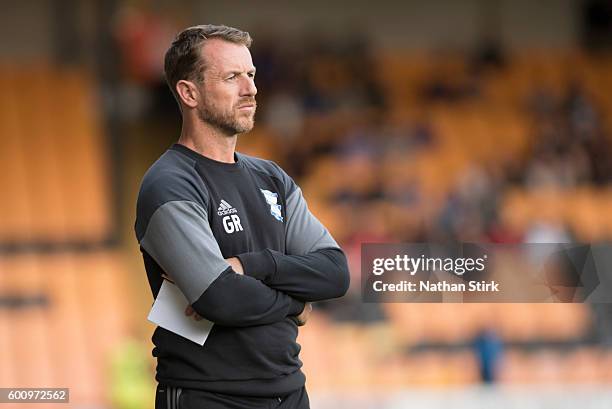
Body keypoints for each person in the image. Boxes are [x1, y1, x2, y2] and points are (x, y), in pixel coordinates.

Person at [134, 24, 350, 409]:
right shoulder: (169, 184)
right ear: (189, 93)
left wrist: (253, 265)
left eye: (250, 75)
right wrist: (296, 304)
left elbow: (334, 272)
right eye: (232, 77)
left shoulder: (272, 178)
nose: (250, 88)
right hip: (208, 397)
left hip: (289, 393)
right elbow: (221, 297)